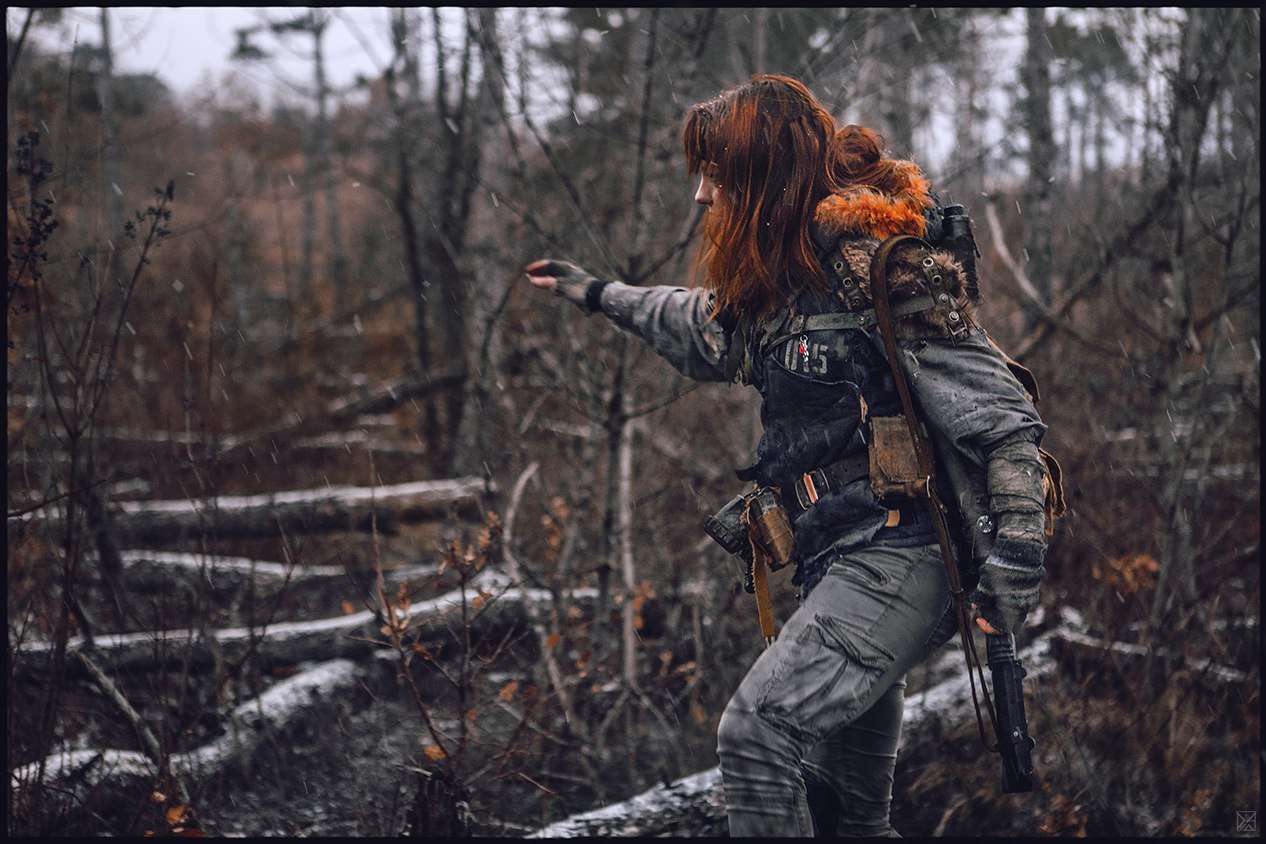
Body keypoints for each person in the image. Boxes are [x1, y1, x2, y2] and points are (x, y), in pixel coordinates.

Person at [524, 74, 1052, 837]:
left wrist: (1014, 574)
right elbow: (700, 328)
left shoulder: (881, 271)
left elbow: (1005, 422)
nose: (703, 197)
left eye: (718, 175)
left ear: (764, 176)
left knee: (756, 734)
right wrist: (599, 293)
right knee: (849, 818)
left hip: (902, 556)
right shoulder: (779, 284)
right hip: (833, 563)